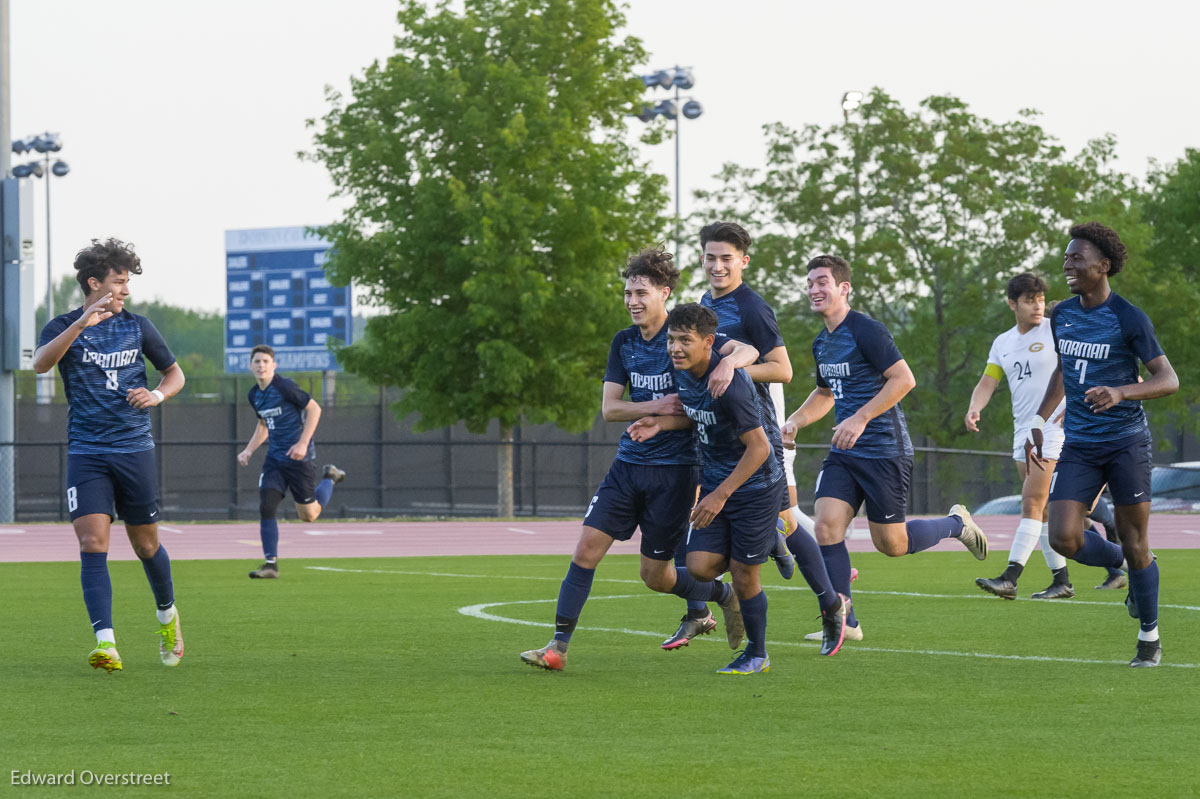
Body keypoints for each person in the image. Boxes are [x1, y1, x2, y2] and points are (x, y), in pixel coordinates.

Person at [520, 247, 759, 672]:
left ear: (664, 293)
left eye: (641, 292)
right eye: (627, 292)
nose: (632, 301)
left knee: (656, 577)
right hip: (627, 466)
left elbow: (749, 351)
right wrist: (658, 406)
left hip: (676, 474)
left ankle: (723, 596)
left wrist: (730, 366)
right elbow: (611, 409)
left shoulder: (686, 333)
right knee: (585, 551)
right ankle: (557, 646)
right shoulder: (624, 342)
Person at [631, 303, 849, 674]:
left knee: (744, 574)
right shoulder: (682, 371)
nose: (675, 348)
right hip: (719, 479)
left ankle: (758, 653)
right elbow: (696, 413)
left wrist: (719, 495)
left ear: (708, 343)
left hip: (755, 484)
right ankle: (770, 540)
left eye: (685, 340)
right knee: (699, 567)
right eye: (672, 340)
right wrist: (661, 425)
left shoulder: (730, 382)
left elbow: (760, 447)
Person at [782, 255, 988, 643]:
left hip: (885, 450)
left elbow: (903, 379)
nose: (814, 289)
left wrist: (859, 418)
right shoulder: (822, 343)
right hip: (845, 453)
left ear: (844, 288)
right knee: (826, 526)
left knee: (891, 544)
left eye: (822, 281)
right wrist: (796, 420)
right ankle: (846, 620)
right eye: (809, 282)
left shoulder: (866, 330)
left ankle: (957, 524)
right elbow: (826, 393)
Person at [1026, 222, 1178, 668]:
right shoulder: (1063, 315)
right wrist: (1039, 418)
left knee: (1136, 538)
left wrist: (1121, 391)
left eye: (1077, 258)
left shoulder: (1129, 317)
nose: (1067, 264)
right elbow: (1062, 371)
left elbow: (1168, 380)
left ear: (1104, 265)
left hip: (1126, 443)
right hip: (1080, 444)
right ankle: (1133, 564)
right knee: (1064, 536)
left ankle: (1148, 639)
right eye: (1067, 257)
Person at [33, 238, 186, 673]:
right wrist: (81, 324)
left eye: (127, 283)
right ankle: (107, 643)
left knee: (145, 544)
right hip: (87, 452)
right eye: (120, 282)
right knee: (92, 542)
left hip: (134, 449)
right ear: (94, 283)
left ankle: (167, 616)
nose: (126, 291)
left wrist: (157, 394)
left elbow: (174, 373)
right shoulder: (62, 326)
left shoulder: (139, 326)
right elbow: (41, 364)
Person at [965, 274, 1078, 599]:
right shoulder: (1003, 342)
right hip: (1023, 432)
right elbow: (989, 381)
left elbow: (1079, 365)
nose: (1038, 305)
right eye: (1030, 300)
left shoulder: (1056, 328)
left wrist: (1077, 403)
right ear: (1012, 304)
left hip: (1052, 430)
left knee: (1031, 502)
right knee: (1041, 512)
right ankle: (1062, 581)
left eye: (1041, 298)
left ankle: (1010, 577)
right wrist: (975, 407)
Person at [236, 344, 345, 578]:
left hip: (299, 458)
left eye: (266, 361)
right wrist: (248, 450)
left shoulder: (285, 387)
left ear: (274, 365)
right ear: (250, 366)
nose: (261, 365)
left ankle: (330, 478)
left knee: (309, 515)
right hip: (275, 460)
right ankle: (270, 565)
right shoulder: (254, 395)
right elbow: (264, 426)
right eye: (257, 361)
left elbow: (314, 409)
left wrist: (303, 444)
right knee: (266, 506)